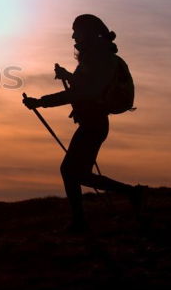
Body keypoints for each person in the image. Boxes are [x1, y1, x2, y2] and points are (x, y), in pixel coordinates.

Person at [22, 14, 145, 232]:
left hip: (94, 123)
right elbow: (87, 86)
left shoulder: (98, 57)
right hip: (93, 121)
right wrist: (68, 76)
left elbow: (85, 91)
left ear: (87, 33)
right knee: (76, 172)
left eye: (76, 31)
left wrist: (41, 102)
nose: (72, 36)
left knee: (72, 172)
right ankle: (128, 196)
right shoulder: (97, 56)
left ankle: (88, 218)